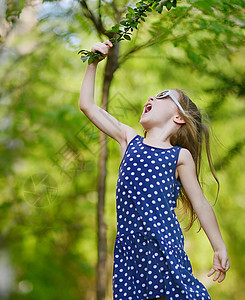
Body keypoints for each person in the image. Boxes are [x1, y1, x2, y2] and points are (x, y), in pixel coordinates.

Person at [79, 41, 230, 300]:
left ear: (179, 117)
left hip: (164, 246)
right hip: (129, 252)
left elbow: (201, 204)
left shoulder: (178, 157)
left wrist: (218, 246)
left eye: (162, 97)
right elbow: (87, 106)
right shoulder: (129, 139)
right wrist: (92, 63)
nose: (151, 98)